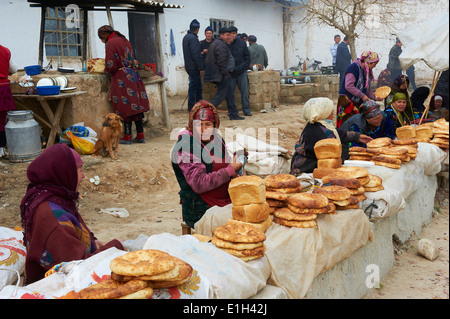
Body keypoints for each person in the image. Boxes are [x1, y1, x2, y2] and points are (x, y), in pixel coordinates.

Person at [20, 143, 124, 284]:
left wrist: (92, 242)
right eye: (80, 169)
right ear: (64, 172)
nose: (83, 176)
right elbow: (77, 269)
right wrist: (113, 247)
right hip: (55, 288)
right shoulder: (52, 215)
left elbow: (75, 231)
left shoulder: (57, 199)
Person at [171, 100, 244, 228]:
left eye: (208, 124)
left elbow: (226, 164)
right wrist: (230, 170)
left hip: (224, 201)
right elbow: (199, 183)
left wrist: (236, 170)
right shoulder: (186, 147)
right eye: (199, 125)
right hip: (200, 209)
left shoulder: (216, 139)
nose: (204, 129)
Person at [290, 97, 372, 175]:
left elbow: (338, 132)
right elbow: (334, 155)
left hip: (307, 166)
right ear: (324, 112)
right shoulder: (319, 131)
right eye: (330, 109)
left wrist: (357, 136)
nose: (333, 111)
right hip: (306, 170)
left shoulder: (319, 124)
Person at [98, 25, 150, 144]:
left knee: (124, 105)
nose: (102, 41)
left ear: (105, 35)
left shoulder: (111, 43)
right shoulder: (124, 39)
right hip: (133, 74)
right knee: (135, 105)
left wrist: (107, 70)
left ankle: (127, 136)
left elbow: (111, 64)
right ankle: (140, 135)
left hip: (122, 77)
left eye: (101, 38)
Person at [204, 27, 244, 120]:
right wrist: (225, 74)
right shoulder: (220, 45)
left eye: (230, 35)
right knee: (221, 94)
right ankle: (207, 112)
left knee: (229, 94)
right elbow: (221, 62)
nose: (228, 37)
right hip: (221, 74)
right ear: (221, 35)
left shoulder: (218, 43)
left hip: (220, 74)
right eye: (227, 35)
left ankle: (233, 114)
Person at [336, 50, 382, 128]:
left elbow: (367, 89)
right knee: (348, 124)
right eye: (374, 64)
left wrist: (374, 97)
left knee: (357, 124)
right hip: (347, 100)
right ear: (369, 62)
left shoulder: (367, 72)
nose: (375, 66)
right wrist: (362, 96)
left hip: (357, 102)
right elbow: (349, 86)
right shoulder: (353, 68)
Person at [227, 26, 252, 116]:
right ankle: (232, 111)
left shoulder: (242, 43)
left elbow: (247, 57)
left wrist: (243, 67)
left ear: (236, 34)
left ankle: (246, 109)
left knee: (244, 92)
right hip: (231, 72)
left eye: (234, 33)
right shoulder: (226, 44)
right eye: (230, 34)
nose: (232, 35)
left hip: (241, 72)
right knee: (230, 93)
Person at [182, 19, 204, 112]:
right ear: (197, 29)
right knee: (195, 88)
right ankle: (193, 107)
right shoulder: (193, 38)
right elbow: (196, 54)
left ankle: (196, 106)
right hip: (194, 67)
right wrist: (200, 68)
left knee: (196, 87)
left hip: (189, 66)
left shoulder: (186, 37)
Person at [0, 44, 17, 158]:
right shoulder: (5, 51)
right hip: (3, 88)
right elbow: (14, 70)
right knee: (1, 121)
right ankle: (1, 149)